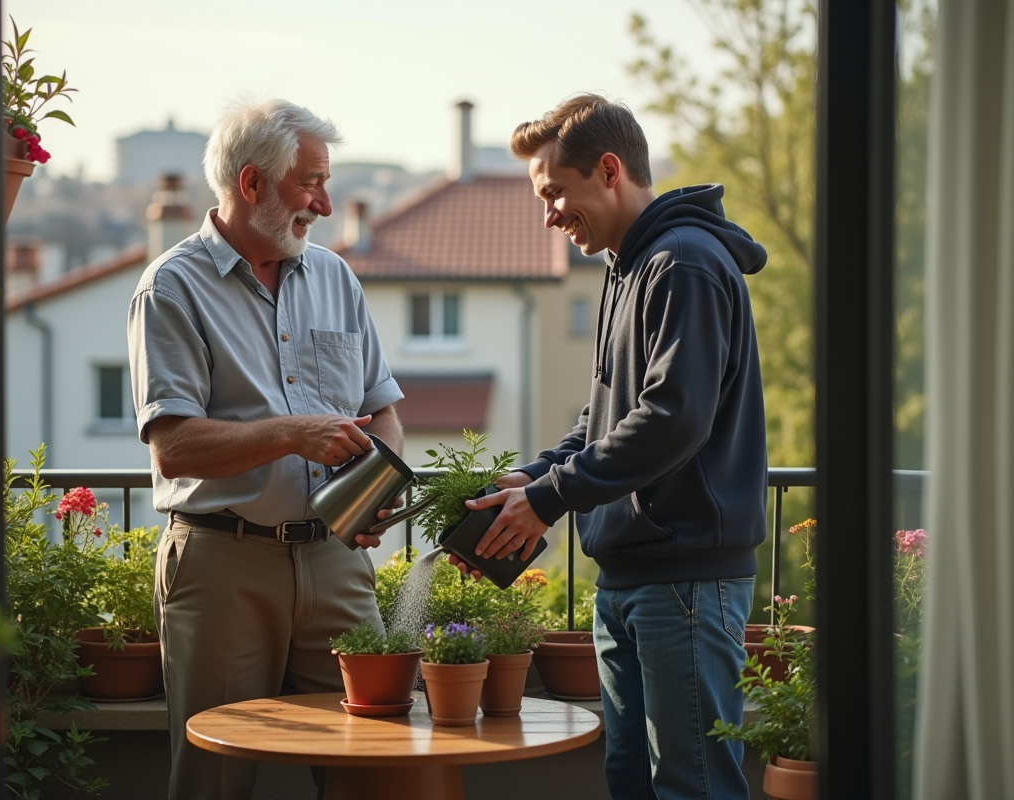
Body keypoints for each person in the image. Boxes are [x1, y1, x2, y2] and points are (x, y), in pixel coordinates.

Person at [456, 95, 769, 800]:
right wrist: (533, 479)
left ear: (607, 170)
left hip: (685, 581)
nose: (549, 215)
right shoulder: (628, 267)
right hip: (631, 578)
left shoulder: (683, 264)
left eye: (554, 193)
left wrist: (551, 498)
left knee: (691, 787)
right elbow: (605, 417)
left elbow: (672, 419)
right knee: (631, 782)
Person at [127, 98, 404, 800]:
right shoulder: (171, 287)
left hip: (336, 561)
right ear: (251, 183)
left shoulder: (336, 277)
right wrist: (293, 432)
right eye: (311, 183)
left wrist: (373, 495)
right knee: (214, 781)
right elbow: (174, 447)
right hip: (224, 564)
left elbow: (383, 412)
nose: (326, 204)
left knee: (376, 768)